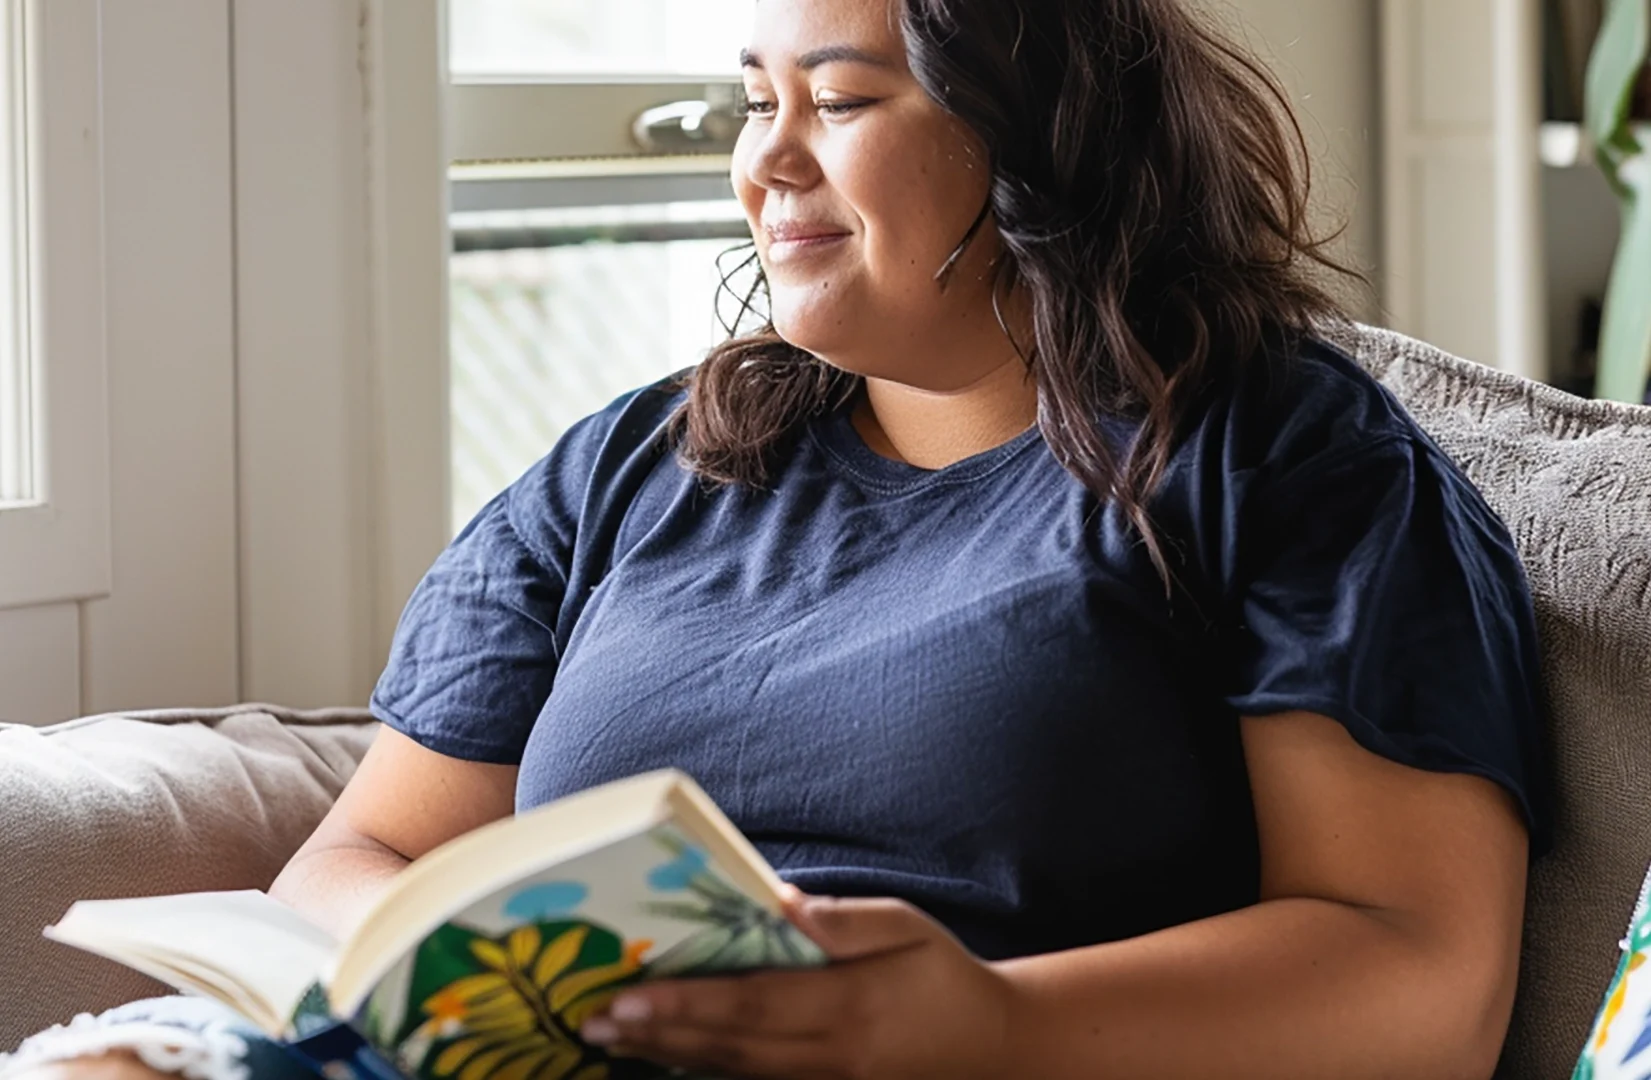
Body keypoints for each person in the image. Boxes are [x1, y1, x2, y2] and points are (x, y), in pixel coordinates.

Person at [3, 0, 1551, 1077]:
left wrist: (993, 1033)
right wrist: (458, 989)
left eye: (843, 100)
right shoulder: (633, 466)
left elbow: (1417, 975)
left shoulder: (1280, 460)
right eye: (758, 101)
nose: (767, 159)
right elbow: (376, 849)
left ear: (1037, 137)